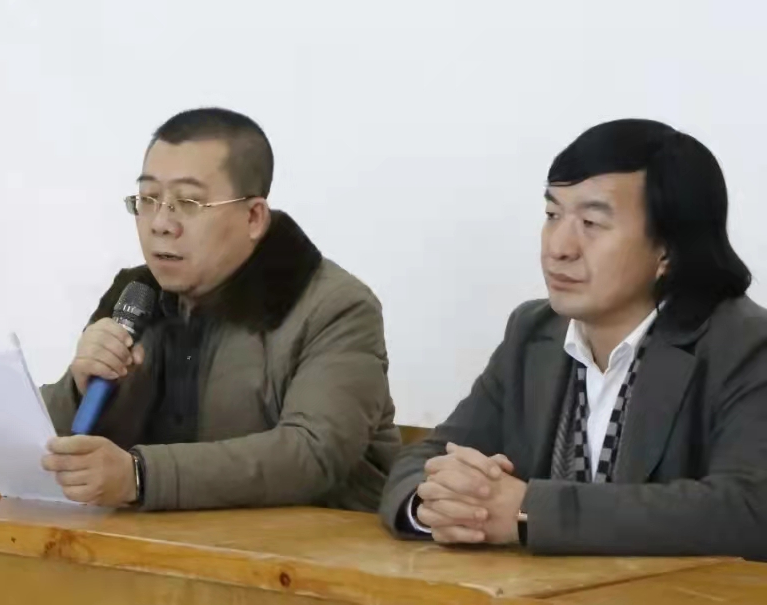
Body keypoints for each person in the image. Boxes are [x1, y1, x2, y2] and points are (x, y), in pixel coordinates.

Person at [380, 119, 767, 561]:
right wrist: (441, 506)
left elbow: (749, 510)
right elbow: (427, 458)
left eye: (591, 222)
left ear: (668, 250)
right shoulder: (533, 333)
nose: (558, 247)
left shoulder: (745, 346)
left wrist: (529, 512)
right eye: (552, 215)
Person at [40, 107, 400, 512]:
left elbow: (314, 451)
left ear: (253, 217)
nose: (160, 223)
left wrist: (140, 476)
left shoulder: (335, 307)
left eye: (188, 202)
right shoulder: (136, 297)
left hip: (316, 545)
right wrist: (78, 389)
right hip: (154, 542)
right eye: (148, 199)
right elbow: (48, 452)